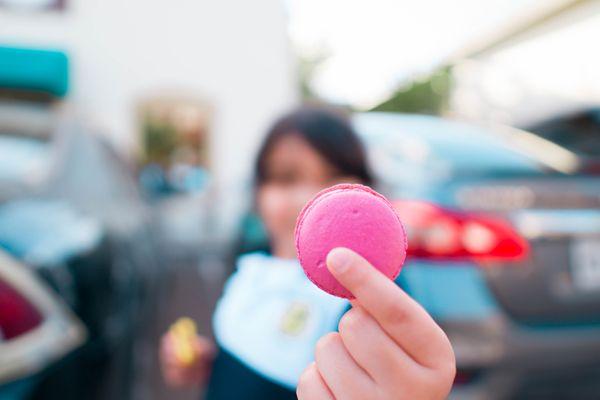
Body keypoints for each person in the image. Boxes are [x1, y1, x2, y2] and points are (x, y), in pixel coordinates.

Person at [159, 106, 455, 399]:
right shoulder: (252, 267)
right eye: (286, 178)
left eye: (334, 175)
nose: (309, 198)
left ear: (366, 188)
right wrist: (207, 365)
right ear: (258, 194)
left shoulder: (366, 296)